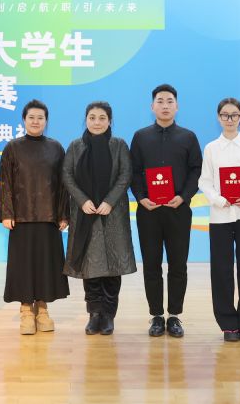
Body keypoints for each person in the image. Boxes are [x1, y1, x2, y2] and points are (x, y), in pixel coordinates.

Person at [130, 84, 202, 338]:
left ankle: (174, 316)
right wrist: (141, 198)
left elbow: (196, 170)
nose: (165, 105)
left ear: (177, 106)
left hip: (178, 210)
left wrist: (183, 197)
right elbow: (133, 171)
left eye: (169, 101)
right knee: (151, 265)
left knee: (177, 264)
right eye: (160, 101)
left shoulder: (188, 137)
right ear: (152, 107)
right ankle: (157, 316)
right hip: (149, 211)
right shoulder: (140, 137)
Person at [62, 101, 136, 336]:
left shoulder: (119, 145)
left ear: (110, 121)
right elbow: (66, 175)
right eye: (92, 117)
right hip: (86, 214)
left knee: (112, 268)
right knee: (90, 267)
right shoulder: (76, 146)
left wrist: (109, 201)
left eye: (102, 118)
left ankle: (109, 315)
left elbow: (126, 175)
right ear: (85, 120)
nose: (97, 122)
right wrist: (82, 200)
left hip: (112, 214)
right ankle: (94, 314)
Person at [0, 99, 70, 335]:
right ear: (24, 120)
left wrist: (64, 214)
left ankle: (42, 309)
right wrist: (7, 213)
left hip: (49, 217)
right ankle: (26, 311)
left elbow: (63, 185)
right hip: (21, 217)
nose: (36, 121)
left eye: (40, 118)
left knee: (46, 266)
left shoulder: (56, 148)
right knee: (23, 266)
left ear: (46, 121)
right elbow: (5, 182)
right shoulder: (12, 148)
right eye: (31, 117)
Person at [198, 98, 240, 342]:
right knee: (222, 270)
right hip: (221, 217)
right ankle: (227, 323)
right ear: (218, 118)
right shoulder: (211, 148)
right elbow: (204, 181)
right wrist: (218, 199)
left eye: (234, 115)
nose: (230, 119)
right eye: (225, 115)